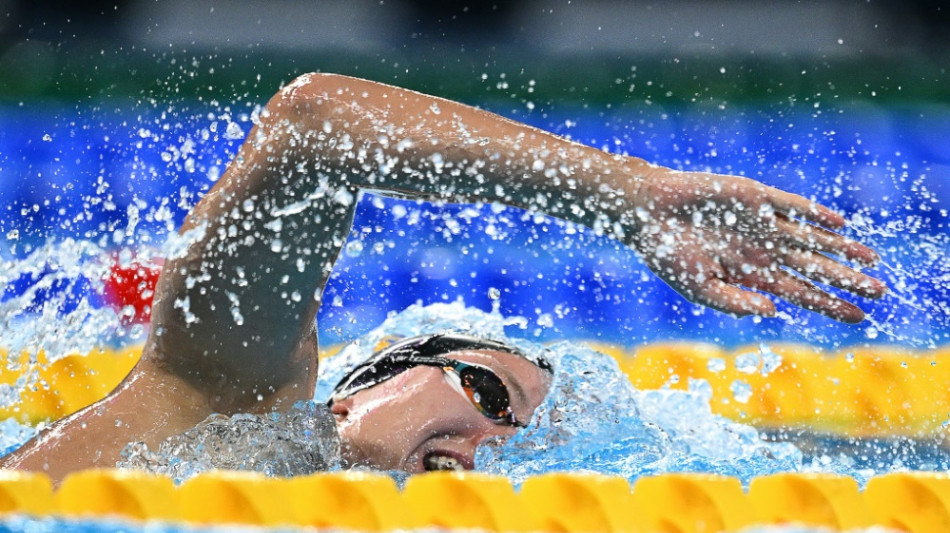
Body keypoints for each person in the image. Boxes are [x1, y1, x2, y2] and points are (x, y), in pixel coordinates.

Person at [0, 73, 886, 484]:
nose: (492, 447)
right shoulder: (216, 401)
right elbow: (313, 126)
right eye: (492, 399)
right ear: (360, 387)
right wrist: (633, 200)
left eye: (523, 445)